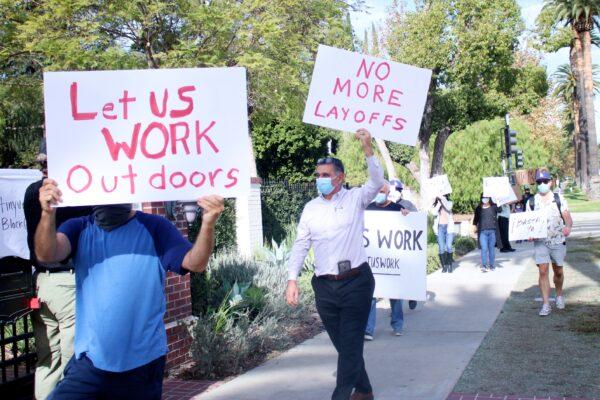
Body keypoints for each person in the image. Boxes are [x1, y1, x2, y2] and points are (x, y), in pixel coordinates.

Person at [34, 178, 224, 399]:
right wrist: (47, 214)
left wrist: (208, 223)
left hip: (142, 365)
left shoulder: (155, 227)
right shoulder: (79, 227)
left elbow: (195, 262)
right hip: (90, 362)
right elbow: (47, 254)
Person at [285, 129, 383, 400]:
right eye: (318, 176)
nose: (321, 180)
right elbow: (301, 244)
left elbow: (376, 182)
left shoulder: (355, 198)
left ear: (340, 178)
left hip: (355, 282)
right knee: (344, 345)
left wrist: (367, 149)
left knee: (351, 343)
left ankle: (341, 395)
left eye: (326, 175)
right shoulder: (310, 208)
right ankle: (364, 390)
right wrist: (292, 279)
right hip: (325, 287)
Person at [23, 140, 94, 400]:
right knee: (71, 358)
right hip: (66, 281)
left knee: (46, 359)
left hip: (41, 282)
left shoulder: (32, 192)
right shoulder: (70, 193)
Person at [364, 180, 417, 340]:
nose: (379, 194)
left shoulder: (396, 208)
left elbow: (409, 225)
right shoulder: (369, 208)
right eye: (377, 191)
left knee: (395, 295)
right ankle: (368, 329)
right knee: (371, 295)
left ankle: (397, 325)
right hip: (374, 261)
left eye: (382, 191)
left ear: (388, 193)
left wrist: (407, 216)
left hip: (392, 260)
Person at [526, 169, 573, 317]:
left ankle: (558, 295)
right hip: (541, 242)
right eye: (539, 182)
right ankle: (546, 303)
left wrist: (568, 227)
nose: (542, 184)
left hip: (558, 240)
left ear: (550, 182)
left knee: (558, 271)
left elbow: (567, 217)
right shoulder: (532, 202)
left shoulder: (559, 198)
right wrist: (529, 234)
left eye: (545, 182)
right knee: (543, 271)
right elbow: (528, 223)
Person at [473, 195, 499, 272]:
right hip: (482, 232)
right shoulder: (478, 208)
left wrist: (498, 200)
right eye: (483, 197)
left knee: (491, 249)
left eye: (486, 197)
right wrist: (474, 227)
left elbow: (500, 209)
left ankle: (492, 266)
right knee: (484, 248)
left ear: (489, 198)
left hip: (492, 231)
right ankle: (484, 266)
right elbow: (475, 219)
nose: (485, 199)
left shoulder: (493, 206)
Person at [431, 193, 454, 273]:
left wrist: (443, 200)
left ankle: (450, 265)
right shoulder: (435, 205)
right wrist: (438, 203)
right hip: (440, 228)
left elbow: (448, 207)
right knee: (441, 248)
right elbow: (433, 212)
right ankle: (444, 266)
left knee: (449, 246)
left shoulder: (449, 202)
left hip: (449, 228)